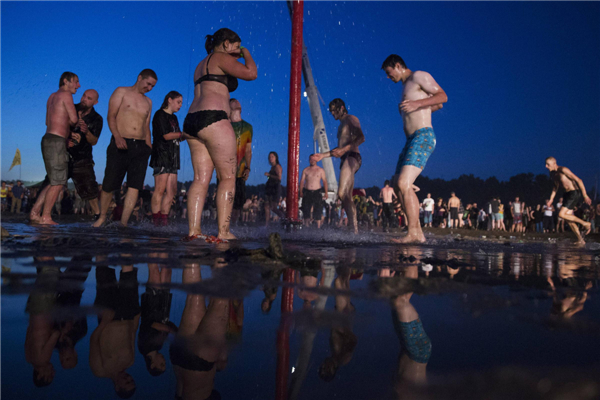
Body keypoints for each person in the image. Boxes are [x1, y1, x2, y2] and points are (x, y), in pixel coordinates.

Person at [182, 28, 257, 241]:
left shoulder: (201, 64)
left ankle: (193, 232)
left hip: (192, 121)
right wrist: (246, 53)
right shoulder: (221, 57)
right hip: (214, 118)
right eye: (236, 46)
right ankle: (224, 232)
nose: (237, 52)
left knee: (200, 179)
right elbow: (252, 73)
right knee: (228, 177)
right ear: (226, 44)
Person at [381, 54, 447, 243]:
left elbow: (442, 97)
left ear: (398, 65)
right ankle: (417, 233)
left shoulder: (418, 76)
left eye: (389, 72)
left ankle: (412, 233)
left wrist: (417, 104)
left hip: (423, 136)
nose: (388, 77)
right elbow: (436, 105)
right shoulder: (405, 87)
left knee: (403, 184)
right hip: (411, 140)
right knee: (396, 184)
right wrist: (421, 107)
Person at [93, 69, 157, 228]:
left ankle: (123, 222)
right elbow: (111, 115)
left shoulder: (148, 102)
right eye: (148, 84)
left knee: (135, 186)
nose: (149, 88)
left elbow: (146, 126)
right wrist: (117, 136)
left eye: (152, 86)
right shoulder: (121, 91)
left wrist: (149, 146)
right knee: (109, 184)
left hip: (141, 146)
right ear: (139, 77)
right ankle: (102, 217)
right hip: (121, 142)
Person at [30, 72, 80, 225]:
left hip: (47, 139)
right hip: (57, 141)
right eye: (76, 82)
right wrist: (73, 129)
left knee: (54, 180)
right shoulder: (66, 95)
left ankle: (35, 213)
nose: (78, 86)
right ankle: (46, 217)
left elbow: (48, 121)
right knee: (58, 181)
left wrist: (68, 134)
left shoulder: (52, 97)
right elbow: (73, 119)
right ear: (66, 81)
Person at [313, 99, 365, 234]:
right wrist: (322, 155)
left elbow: (361, 138)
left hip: (352, 156)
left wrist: (344, 150)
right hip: (346, 157)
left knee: (341, 193)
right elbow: (339, 149)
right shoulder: (341, 125)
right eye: (331, 112)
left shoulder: (351, 119)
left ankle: (353, 229)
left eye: (334, 110)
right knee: (347, 196)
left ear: (342, 108)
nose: (332, 114)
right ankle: (353, 230)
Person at [67, 89, 103, 218]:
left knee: (90, 189)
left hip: (83, 157)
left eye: (88, 98)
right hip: (64, 153)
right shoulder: (71, 107)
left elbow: (94, 141)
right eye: (83, 95)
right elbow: (58, 125)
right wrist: (69, 135)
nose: (84, 99)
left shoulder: (97, 119)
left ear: (95, 102)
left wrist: (86, 131)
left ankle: (97, 216)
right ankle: (37, 212)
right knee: (51, 183)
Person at [149, 91, 184, 226]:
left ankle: (164, 220)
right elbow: (166, 135)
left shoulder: (174, 118)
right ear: (169, 99)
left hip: (173, 156)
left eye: (181, 102)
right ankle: (156, 221)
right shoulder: (159, 115)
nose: (180, 105)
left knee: (172, 191)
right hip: (161, 154)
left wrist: (186, 136)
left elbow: (177, 136)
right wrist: (182, 134)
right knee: (160, 189)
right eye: (178, 102)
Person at [545, 157, 592, 246]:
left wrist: (585, 195)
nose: (546, 166)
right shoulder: (553, 174)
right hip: (567, 195)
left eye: (548, 164)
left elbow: (579, 180)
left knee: (561, 214)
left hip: (574, 193)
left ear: (554, 163)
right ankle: (580, 240)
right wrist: (551, 199)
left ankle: (585, 223)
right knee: (568, 218)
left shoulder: (563, 170)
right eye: (546, 164)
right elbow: (555, 188)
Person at [229, 98, 253, 225]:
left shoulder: (248, 127)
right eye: (233, 101)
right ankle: (223, 226)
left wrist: (248, 168)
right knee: (226, 198)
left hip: (241, 170)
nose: (237, 101)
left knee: (238, 202)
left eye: (238, 101)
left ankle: (232, 225)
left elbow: (248, 150)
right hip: (225, 169)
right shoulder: (225, 125)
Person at [299, 154, 329, 228]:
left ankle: (318, 227)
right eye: (310, 159)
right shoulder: (306, 170)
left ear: (316, 160)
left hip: (317, 191)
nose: (312, 161)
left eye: (313, 159)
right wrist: (300, 191)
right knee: (306, 210)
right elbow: (302, 181)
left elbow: (325, 181)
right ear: (309, 160)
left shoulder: (320, 170)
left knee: (318, 210)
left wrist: (326, 192)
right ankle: (306, 227)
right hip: (307, 191)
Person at [264, 152, 285, 227]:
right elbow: (272, 177)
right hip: (270, 188)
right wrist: (269, 177)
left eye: (272, 156)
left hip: (275, 188)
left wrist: (269, 175)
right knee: (266, 205)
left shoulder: (277, 166)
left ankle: (283, 218)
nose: (271, 158)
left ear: (276, 158)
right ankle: (267, 224)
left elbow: (279, 178)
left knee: (273, 207)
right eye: (270, 157)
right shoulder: (272, 168)